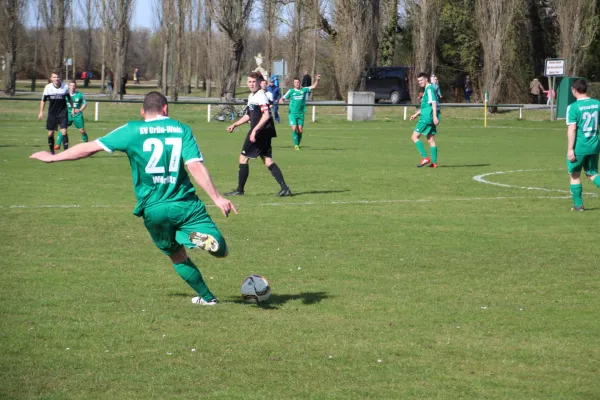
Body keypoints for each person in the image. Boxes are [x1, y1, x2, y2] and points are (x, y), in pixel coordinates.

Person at [30, 91, 238, 305]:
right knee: (221, 250)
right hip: (185, 203)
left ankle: (208, 298)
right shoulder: (181, 129)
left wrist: (53, 158)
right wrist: (217, 197)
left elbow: (89, 148)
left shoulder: (132, 130)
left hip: (153, 209)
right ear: (166, 109)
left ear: (142, 112)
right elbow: (194, 164)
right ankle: (196, 237)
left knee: (177, 255)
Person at [225, 72, 292, 197]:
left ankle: (240, 190)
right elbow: (248, 115)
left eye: (253, 82)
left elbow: (266, 115)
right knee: (268, 160)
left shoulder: (261, 96)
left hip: (260, 133)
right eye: (249, 82)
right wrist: (235, 124)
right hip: (264, 132)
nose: (251, 84)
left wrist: (254, 131)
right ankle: (285, 188)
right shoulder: (252, 96)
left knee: (243, 158)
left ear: (258, 82)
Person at [565, 79, 600, 211]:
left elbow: (572, 128)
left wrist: (570, 149)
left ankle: (578, 205)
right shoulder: (597, 104)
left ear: (574, 90)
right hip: (594, 145)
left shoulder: (573, 107)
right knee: (592, 173)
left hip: (579, 146)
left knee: (574, 174)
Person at [279, 74, 321, 150]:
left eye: (298, 82)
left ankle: (297, 143)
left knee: (300, 130)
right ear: (293, 83)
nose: (297, 84)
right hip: (292, 113)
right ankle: (296, 145)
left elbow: (313, 86)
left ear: (300, 83)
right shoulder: (291, 91)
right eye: (295, 82)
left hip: (301, 113)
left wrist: (317, 80)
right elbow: (283, 97)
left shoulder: (303, 90)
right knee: (294, 128)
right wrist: (281, 100)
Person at [38, 71, 74, 154]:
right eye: (54, 77)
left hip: (63, 112)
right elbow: (43, 100)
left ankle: (66, 152)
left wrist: (72, 108)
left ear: (60, 78)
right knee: (50, 133)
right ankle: (51, 151)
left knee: (64, 131)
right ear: (51, 78)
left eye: (57, 77)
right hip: (52, 113)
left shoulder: (65, 86)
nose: (56, 79)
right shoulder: (48, 87)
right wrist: (41, 112)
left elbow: (69, 99)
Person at [410, 72, 440, 168]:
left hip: (426, 118)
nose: (420, 82)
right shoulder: (426, 89)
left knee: (414, 137)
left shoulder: (429, 89)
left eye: (421, 80)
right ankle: (434, 163)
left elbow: (433, 103)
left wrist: (435, 116)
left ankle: (425, 157)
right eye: (418, 81)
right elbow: (425, 107)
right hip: (428, 116)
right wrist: (415, 114)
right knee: (430, 139)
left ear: (426, 79)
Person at [56, 80, 89, 149]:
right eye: (71, 85)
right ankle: (57, 144)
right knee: (63, 129)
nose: (72, 87)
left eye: (74, 85)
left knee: (82, 130)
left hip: (77, 115)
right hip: (67, 114)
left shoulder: (80, 94)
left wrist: (80, 110)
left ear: (75, 86)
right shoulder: (65, 94)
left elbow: (85, 103)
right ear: (68, 86)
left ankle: (87, 144)